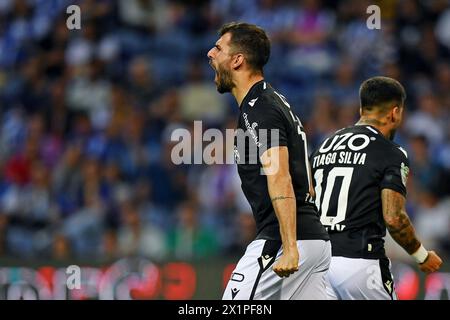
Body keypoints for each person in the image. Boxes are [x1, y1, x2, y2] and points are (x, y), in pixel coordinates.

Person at [207, 22, 330, 300]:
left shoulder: (260, 108)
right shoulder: (270, 102)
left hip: (284, 239)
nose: (210, 54)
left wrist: (289, 247)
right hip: (313, 239)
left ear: (238, 60)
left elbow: (279, 175)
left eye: (218, 48)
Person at [310, 76, 443, 300]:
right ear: (395, 112)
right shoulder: (391, 152)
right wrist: (421, 255)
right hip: (361, 262)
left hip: (318, 262)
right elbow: (394, 218)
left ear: (362, 108)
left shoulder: (324, 145)